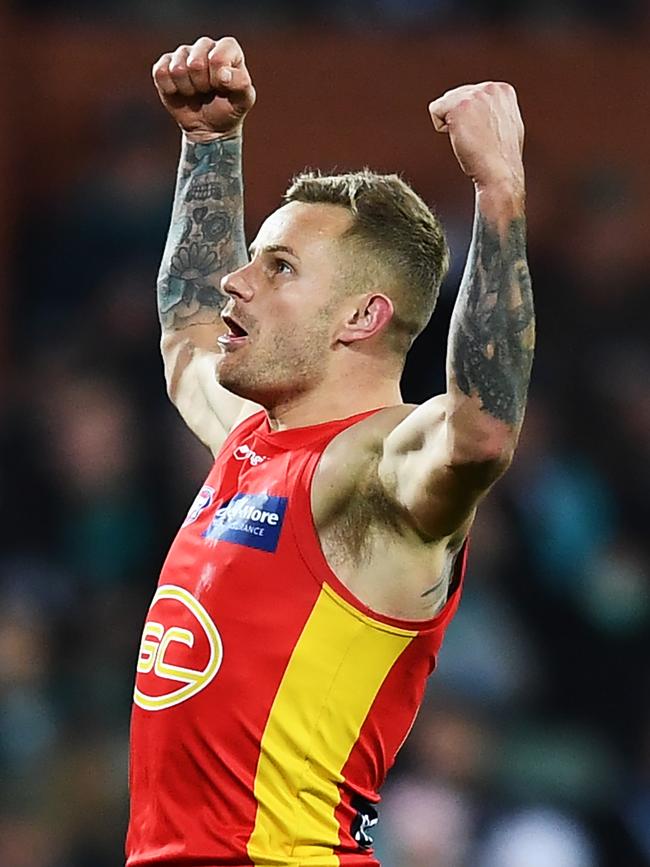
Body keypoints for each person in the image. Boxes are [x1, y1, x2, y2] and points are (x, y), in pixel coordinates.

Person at [126, 34, 534, 867]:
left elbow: (480, 431)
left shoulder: (376, 466)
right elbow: (185, 334)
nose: (238, 281)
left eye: (278, 267)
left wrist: (499, 193)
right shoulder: (251, 440)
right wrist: (209, 144)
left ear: (361, 317)